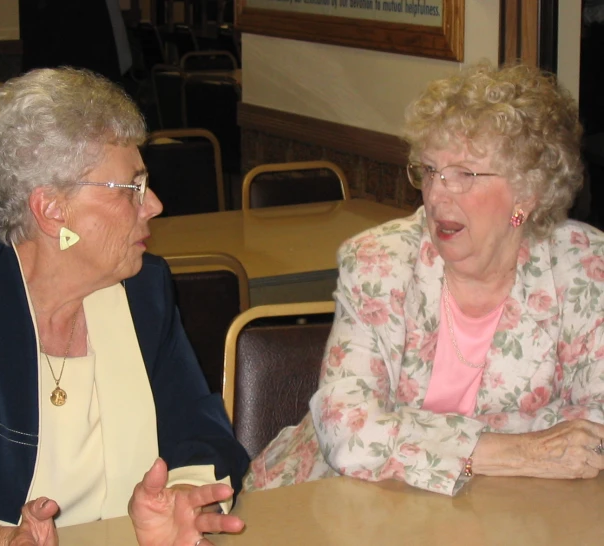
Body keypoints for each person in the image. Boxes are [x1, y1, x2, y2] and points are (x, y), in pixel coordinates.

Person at [0, 67, 249, 545]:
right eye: (134, 189)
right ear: (51, 210)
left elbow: (198, 423)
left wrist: (185, 494)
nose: (155, 206)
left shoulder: (144, 289)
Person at [244, 62, 604, 496]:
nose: (435, 195)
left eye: (464, 174)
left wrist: (405, 427)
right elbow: (346, 431)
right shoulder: (380, 262)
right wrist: (516, 451)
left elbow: (591, 431)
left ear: (528, 193)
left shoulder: (584, 267)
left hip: (505, 512)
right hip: (338, 502)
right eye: (430, 170)